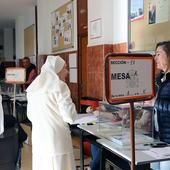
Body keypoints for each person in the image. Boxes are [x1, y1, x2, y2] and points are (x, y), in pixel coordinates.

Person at [26, 55, 77, 170]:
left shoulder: (33, 88)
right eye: (65, 68)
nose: (67, 72)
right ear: (57, 70)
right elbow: (70, 117)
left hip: (40, 139)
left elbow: (30, 116)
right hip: (57, 140)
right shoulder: (60, 86)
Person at [151, 41, 170, 170]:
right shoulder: (159, 79)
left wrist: (155, 103)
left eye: (158, 54)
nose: (155, 58)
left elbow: (156, 103)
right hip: (157, 137)